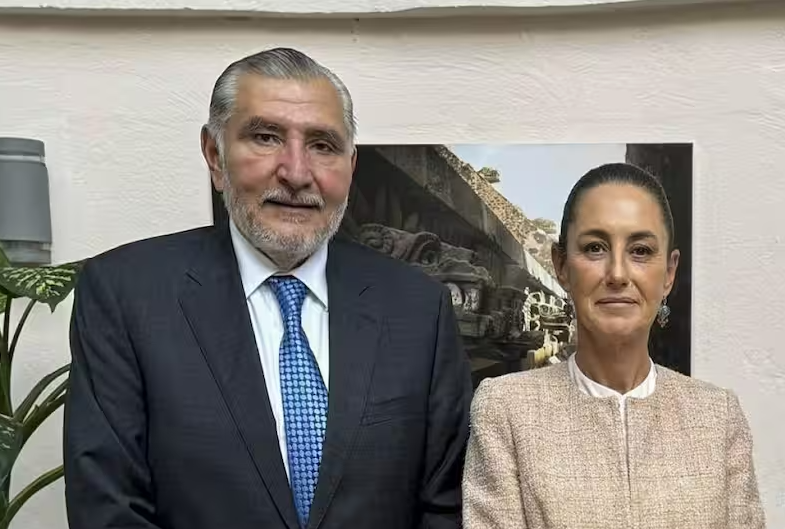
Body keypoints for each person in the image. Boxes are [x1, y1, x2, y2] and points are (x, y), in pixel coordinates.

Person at [63, 47, 473, 529]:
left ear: (350, 165)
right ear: (215, 155)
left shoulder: (418, 308)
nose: (296, 173)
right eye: (265, 137)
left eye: (322, 145)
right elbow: (109, 508)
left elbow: (446, 505)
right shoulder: (125, 294)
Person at [462, 163, 766, 529]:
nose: (618, 274)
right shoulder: (506, 410)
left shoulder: (718, 416)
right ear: (562, 265)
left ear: (669, 273)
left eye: (640, 250)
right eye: (595, 248)